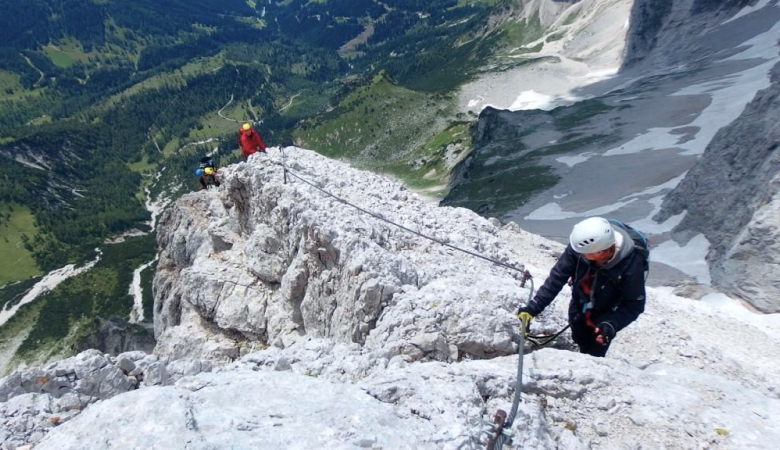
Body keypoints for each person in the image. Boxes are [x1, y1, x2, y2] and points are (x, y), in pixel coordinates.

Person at [517, 217, 647, 357]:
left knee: (596, 350)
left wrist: (611, 324)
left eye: (584, 254)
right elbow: (557, 278)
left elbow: (634, 304)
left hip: (607, 311)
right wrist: (532, 309)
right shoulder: (580, 248)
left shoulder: (632, 265)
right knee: (579, 337)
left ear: (599, 252)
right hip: (580, 301)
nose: (579, 255)